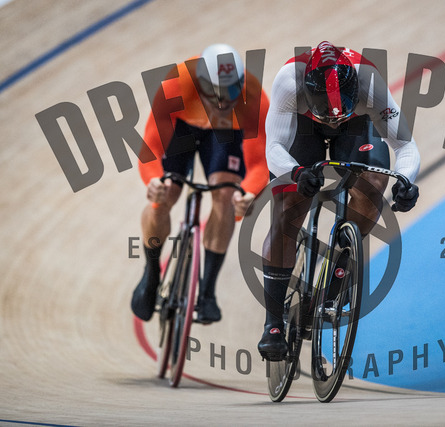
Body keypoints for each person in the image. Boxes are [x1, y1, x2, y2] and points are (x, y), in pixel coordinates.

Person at [257, 41, 420, 360]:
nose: (332, 121)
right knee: (288, 211)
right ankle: (273, 324)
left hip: (355, 125)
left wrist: (405, 181)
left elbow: (404, 145)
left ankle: (340, 266)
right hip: (304, 127)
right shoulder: (289, 81)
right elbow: (274, 147)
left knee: (374, 184)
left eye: (338, 113)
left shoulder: (369, 83)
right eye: (327, 114)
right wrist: (297, 172)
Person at [131, 44, 269, 324]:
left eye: (231, 92)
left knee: (226, 197)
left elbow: (259, 163)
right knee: (165, 194)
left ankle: (207, 292)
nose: (223, 102)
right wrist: (153, 180)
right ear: (200, 83)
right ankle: (152, 273)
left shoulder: (253, 96)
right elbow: (151, 147)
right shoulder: (177, 83)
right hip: (182, 128)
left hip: (224, 133)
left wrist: (248, 193)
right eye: (216, 93)